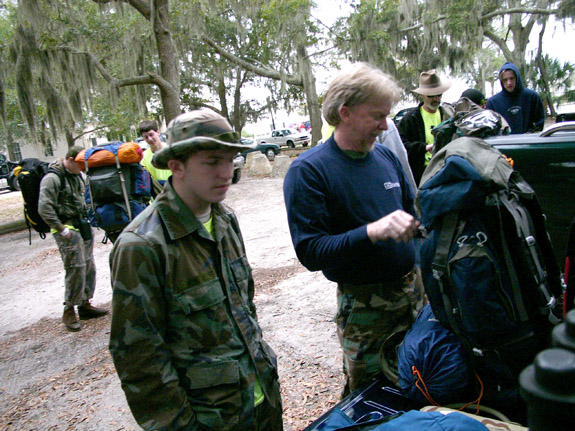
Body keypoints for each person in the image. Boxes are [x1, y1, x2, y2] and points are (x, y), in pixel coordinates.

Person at [109, 110, 283, 431]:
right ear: (176, 166)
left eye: (231, 160)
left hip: (263, 403)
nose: (226, 173)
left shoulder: (226, 221)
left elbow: (244, 307)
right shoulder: (143, 245)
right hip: (210, 420)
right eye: (212, 161)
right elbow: (140, 360)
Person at [283, 63, 426, 395]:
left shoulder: (386, 158)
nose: (384, 125)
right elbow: (310, 251)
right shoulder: (310, 171)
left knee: (420, 384)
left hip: (414, 295)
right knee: (372, 399)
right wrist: (371, 232)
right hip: (365, 311)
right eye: (376, 116)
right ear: (345, 113)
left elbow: (411, 216)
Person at [38, 146, 108, 332]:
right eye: (81, 165)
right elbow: (44, 208)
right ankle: (69, 310)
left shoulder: (76, 176)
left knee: (88, 266)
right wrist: (61, 230)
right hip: (67, 229)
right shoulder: (53, 178)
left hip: (81, 226)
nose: (83, 168)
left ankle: (85, 304)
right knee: (75, 268)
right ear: (70, 159)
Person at [397, 69, 454, 186]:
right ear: (422, 95)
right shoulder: (410, 119)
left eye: (439, 95)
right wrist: (424, 148)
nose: (436, 99)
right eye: (431, 96)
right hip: (422, 175)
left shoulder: (448, 115)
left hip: (446, 170)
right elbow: (401, 146)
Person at [486, 62, 545, 134]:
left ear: (517, 78)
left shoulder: (532, 97)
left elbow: (539, 123)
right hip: (503, 143)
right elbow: (491, 129)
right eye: (505, 80)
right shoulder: (493, 103)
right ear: (501, 81)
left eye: (512, 78)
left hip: (529, 142)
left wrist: (529, 134)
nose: (509, 83)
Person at [138, 119, 171, 185]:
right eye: (146, 137)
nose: (150, 139)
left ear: (158, 132)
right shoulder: (143, 157)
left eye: (151, 134)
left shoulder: (171, 150)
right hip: (158, 192)